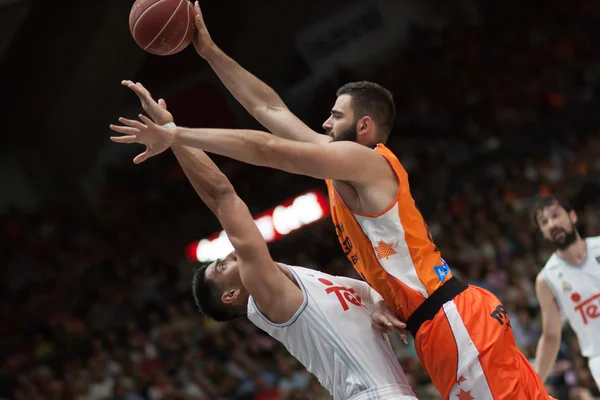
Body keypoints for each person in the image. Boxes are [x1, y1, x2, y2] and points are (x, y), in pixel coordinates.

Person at [109, 4, 552, 398]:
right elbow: (272, 111)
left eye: (334, 116)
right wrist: (208, 51)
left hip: (451, 321)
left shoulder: (367, 163)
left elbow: (268, 149)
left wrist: (176, 135)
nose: (322, 122)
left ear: (362, 128)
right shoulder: (342, 172)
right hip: (440, 327)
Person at [112, 82, 418, 400]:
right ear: (231, 295)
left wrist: (380, 302)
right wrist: (173, 134)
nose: (229, 255)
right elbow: (221, 195)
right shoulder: (265, 294)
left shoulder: (301, 279)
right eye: (220, 266)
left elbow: (367, 290)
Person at [531, 195, 600, 388]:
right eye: (544, 222)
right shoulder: (547, 279)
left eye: (555, 215)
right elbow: (551, 336)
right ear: (543, 233)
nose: (552, 224)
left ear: (572, 216)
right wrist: (535, 384)